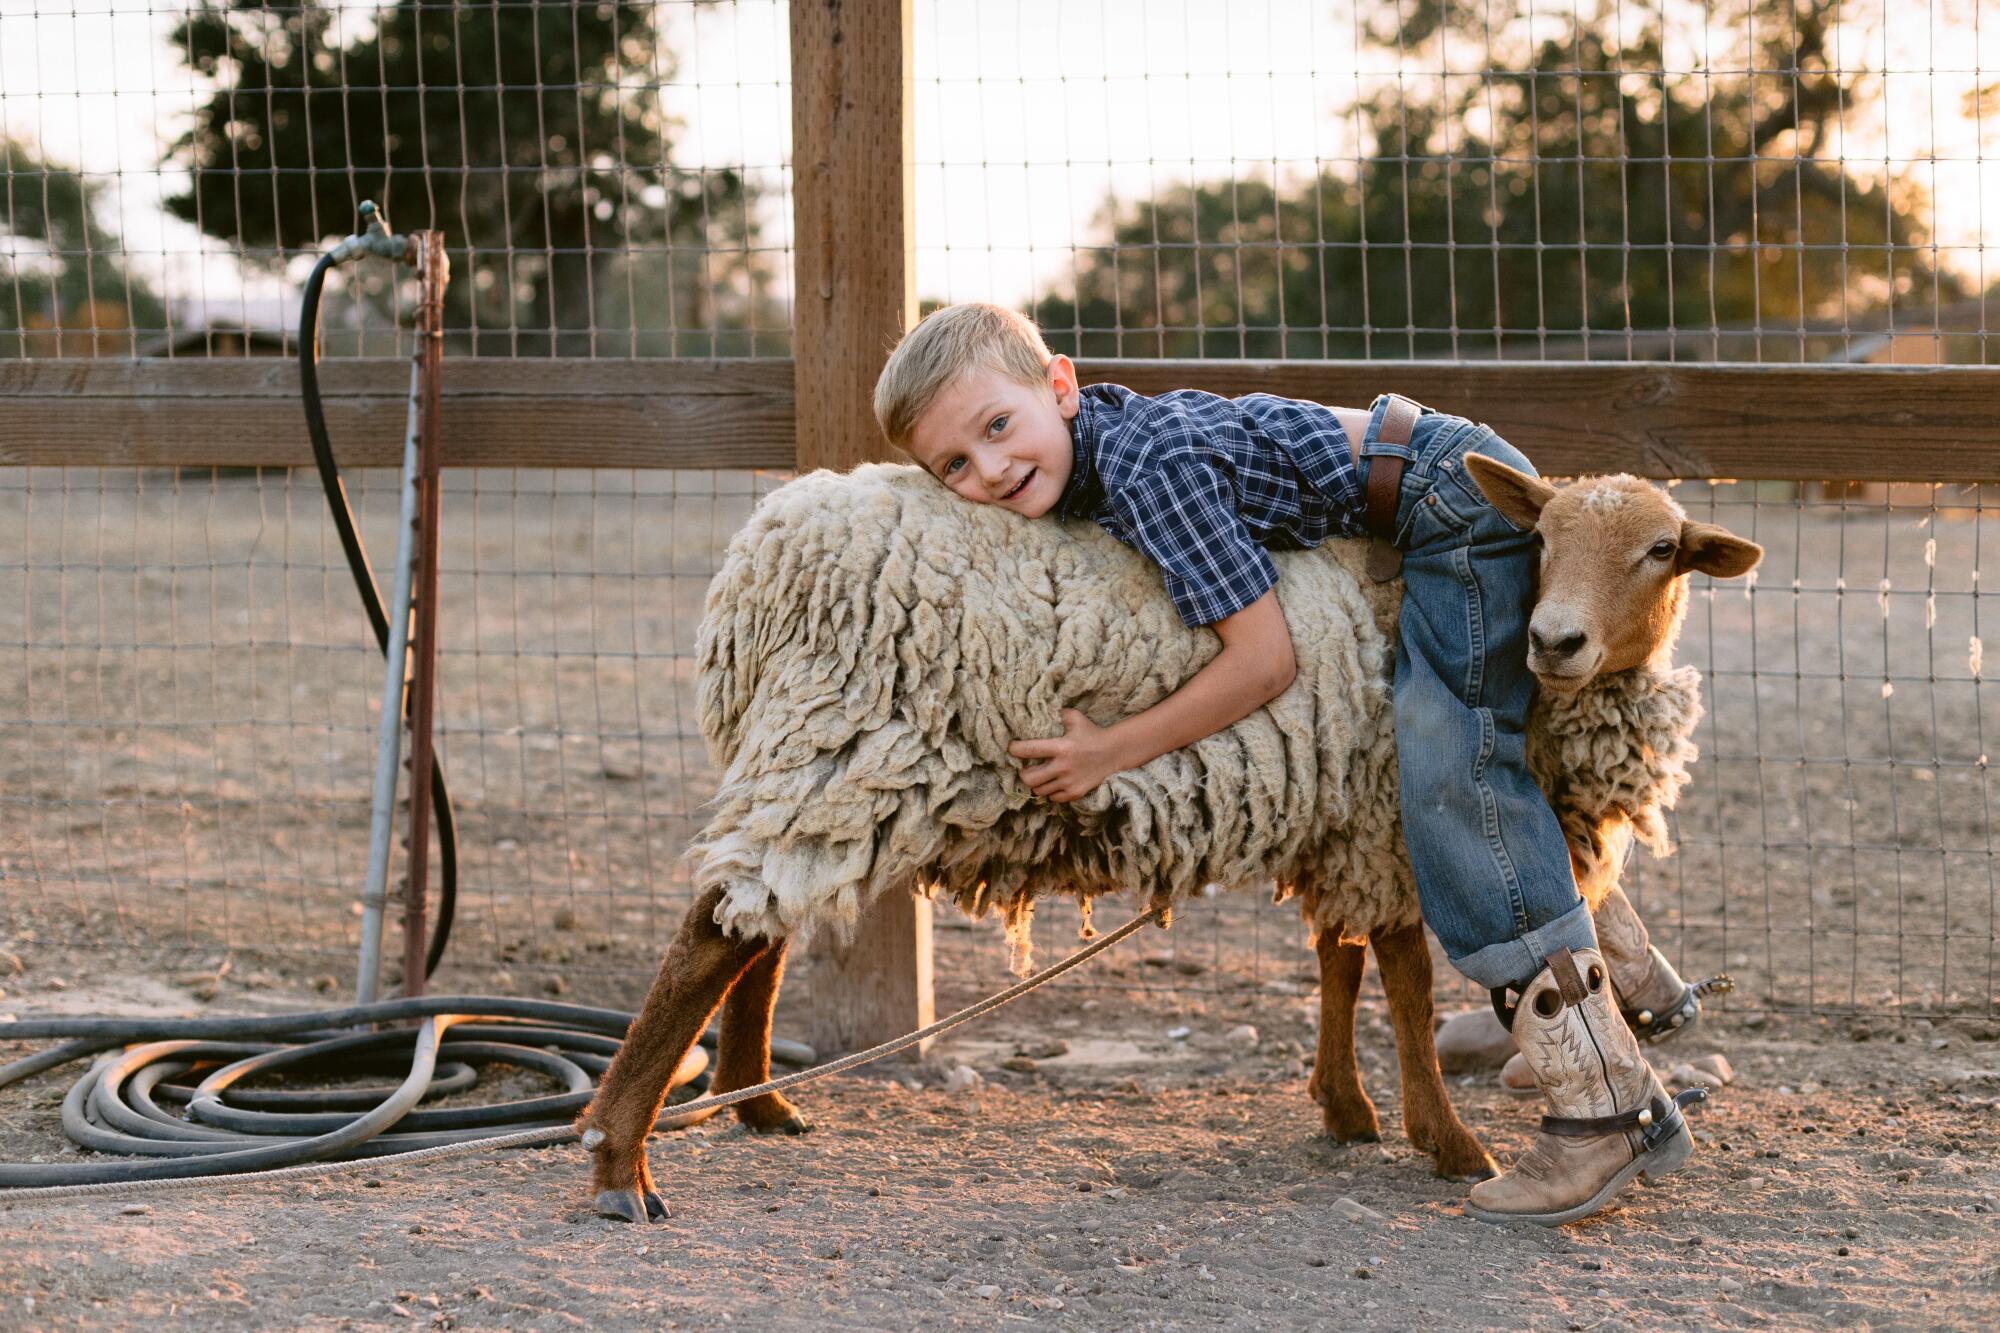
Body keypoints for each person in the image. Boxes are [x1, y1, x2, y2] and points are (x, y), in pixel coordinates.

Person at [871, 302, 1707, 1225]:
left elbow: (1265, 660)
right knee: (1481, 755)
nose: (988, 469)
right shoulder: (1093, 446)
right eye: (954, 464)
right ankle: (1631, 984)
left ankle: (1605, 1105)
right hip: (1418, 472)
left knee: (1447, 776)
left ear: (1061, 386)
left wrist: (1112, 748)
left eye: (997, 428)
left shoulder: (1152, 468)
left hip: (1452, 506)